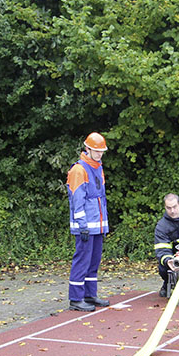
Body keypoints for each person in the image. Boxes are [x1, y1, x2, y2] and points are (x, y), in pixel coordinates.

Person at [66, 133, 110, 312]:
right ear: (88, 149)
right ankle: (76, 298)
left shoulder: (98, 167)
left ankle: (90, 294)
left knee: (94, 260)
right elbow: (78, 199)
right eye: (97, 151)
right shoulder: (79, 170)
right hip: (85, 226)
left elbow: (101, 198)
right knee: (82, 260)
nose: (99, 154)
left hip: (97, 224)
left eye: (102, 152)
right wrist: (82, 224)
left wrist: (103, 224)